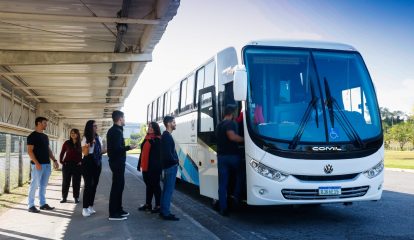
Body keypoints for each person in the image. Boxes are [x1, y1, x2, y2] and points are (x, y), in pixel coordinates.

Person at [107, 110, 135, 221]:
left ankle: (118, 209)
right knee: (117, 187)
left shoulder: (115, 130)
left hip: (116, 162)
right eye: (124, 118)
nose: (125, 120)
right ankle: (113, 213)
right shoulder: (116, 132)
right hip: (117, 163)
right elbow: (117, 149)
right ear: (120, 119)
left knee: (119, 186)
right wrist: (129, 147)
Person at [216, 105, 244, 216]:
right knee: (240, 175)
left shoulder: (219, 125)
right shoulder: (230, 123)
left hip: (221, 157)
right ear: (232, 113)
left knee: (222, 184)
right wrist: (245, 139)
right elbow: (232, 137)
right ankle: (236, 200)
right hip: (232, 156)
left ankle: (223, 208)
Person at [27, 116, 59, 213]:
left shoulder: (45, 136)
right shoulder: (32, 136)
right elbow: (29, 151)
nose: (46, 125)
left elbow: (48, 150)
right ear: (39, 123)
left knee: (43, 185)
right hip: (37, 165)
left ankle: (42, 204)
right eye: (45, 123)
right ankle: (31, 205)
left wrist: (54, 160)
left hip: (47, 165)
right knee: (34, 185)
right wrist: (36, 163)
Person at [81, 120, 106, 217]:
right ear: (90, 127)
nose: (96, 127)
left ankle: (90, 206)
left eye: (96, 126)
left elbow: (100, 151)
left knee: (94, 185)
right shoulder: (85, 138)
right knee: (88, 185)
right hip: (88, 162)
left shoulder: (98, 137)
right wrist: (88, 145)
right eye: (94, 126)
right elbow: (85, 153)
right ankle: (84, 208)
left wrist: (108, 149)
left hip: (97, 162)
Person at [137, 122, 162, 213]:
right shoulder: (146, 138)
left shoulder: (157, 139)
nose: (150, 128)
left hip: (154, 168)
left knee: (156, 186)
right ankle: (148, 205)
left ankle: (158, 206)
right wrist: (139, 164)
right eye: (149, 127)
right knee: (149, 186)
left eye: (152, 127)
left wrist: (153, 142)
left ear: (155, 129)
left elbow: (157, 155)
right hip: (145, 167)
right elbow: (142, 152)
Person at [159, 116, 180, 221]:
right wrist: (175, 161)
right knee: (168, 190)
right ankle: (166, 213)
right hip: (170, 167)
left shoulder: (166, 136)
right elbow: (168, 154)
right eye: (174, 122)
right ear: (168, 124)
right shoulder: (167, 136)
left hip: (168, 166)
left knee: (166, 190)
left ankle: (163, 211)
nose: (175, 124)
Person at [59, 128, 82, 203]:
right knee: (66, 182)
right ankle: (64, 197)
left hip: (77, 165)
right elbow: (62, 152)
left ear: (77, 134)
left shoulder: (81, 143)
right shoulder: (67, 143)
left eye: (74, 133)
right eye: (71, 133)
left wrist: (81, 161)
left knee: (76, 182)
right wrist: (61, 161)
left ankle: (76, 197)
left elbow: (84, 154)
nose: (73, 134)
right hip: (67, 165)